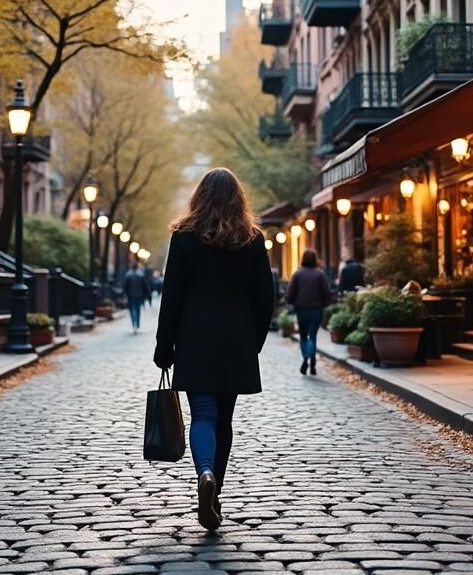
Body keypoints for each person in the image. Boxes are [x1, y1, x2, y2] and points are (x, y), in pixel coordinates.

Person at [154, 168, 274, 531]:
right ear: (239, 199)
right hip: (236, 340)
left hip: (194, 338)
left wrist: (164, 345)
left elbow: (171, 296)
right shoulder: (252, 240)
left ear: (199, 197)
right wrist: (256, 340)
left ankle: (204, 474)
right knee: (225, 419)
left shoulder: (184, 238)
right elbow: (266, 297)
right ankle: (215, 488)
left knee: (203, 415)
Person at [284, 249, 334, 376]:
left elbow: (290, 293)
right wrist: (326, 303)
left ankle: (306, 356)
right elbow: (326, 292)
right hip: (316, 310)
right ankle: (312, 361)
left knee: (303, 335)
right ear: (315, 260)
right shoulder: (320, 274)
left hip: (301, 309)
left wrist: (291, 301)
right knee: (312, 335)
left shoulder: (297, 274)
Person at [123, 261, 150, 332]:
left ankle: (134, 324)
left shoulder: (128, 275)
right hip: (139, 295)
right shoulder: (141, 275)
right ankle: (137, 325)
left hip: (130, 296)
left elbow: (125, 286)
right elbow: (145, 286)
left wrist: (125, 294)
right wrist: (146, 295)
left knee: (132, 310)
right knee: (138, 310)